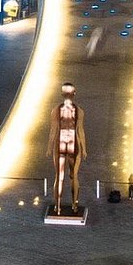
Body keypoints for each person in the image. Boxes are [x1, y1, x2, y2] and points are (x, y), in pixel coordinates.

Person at [47, 81, 87, 214]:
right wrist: (83, 148)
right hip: (73, 144)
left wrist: (49, 147)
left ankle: (58, 206)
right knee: (73, 176)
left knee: (60, 176)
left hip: (60, 144)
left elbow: (54, 130)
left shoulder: (56, 110)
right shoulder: (78, 111)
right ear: (73, 94)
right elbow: (80, 130)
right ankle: (74, 205)